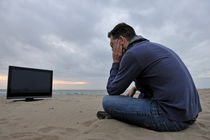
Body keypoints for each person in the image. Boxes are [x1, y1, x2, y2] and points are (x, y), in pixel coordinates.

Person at [98, 23, 202, 132]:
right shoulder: (153, 47)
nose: (112, 50)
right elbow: (160, 77)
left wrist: (116, 61)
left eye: (112, 45)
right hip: (190, 114)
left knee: (107, 101)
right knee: (142, 95)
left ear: (121, 41)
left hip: (172, 118)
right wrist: (136, 87)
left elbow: (112, 90)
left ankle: (120, 115)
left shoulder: (132, 54)